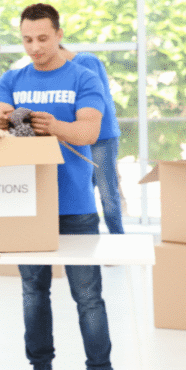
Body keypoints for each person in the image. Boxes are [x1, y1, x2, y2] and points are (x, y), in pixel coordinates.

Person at [0, 3, 113, 370]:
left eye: (42, 38)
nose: (35, 47)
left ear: (59, 34)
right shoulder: (11, 77)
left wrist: (54, 126)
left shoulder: (83, 76)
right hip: (27, 204)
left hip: (75, 204)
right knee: (33, 291)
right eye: (26, 40)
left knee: (88, 296)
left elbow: (89, 129)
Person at [60, 45, 124, 235]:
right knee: (84, 192)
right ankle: (87, 241)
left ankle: (118, 243)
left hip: (101, 138)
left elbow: (89, 96)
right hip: (82, 139)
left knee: (108, 194)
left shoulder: (85, 60)